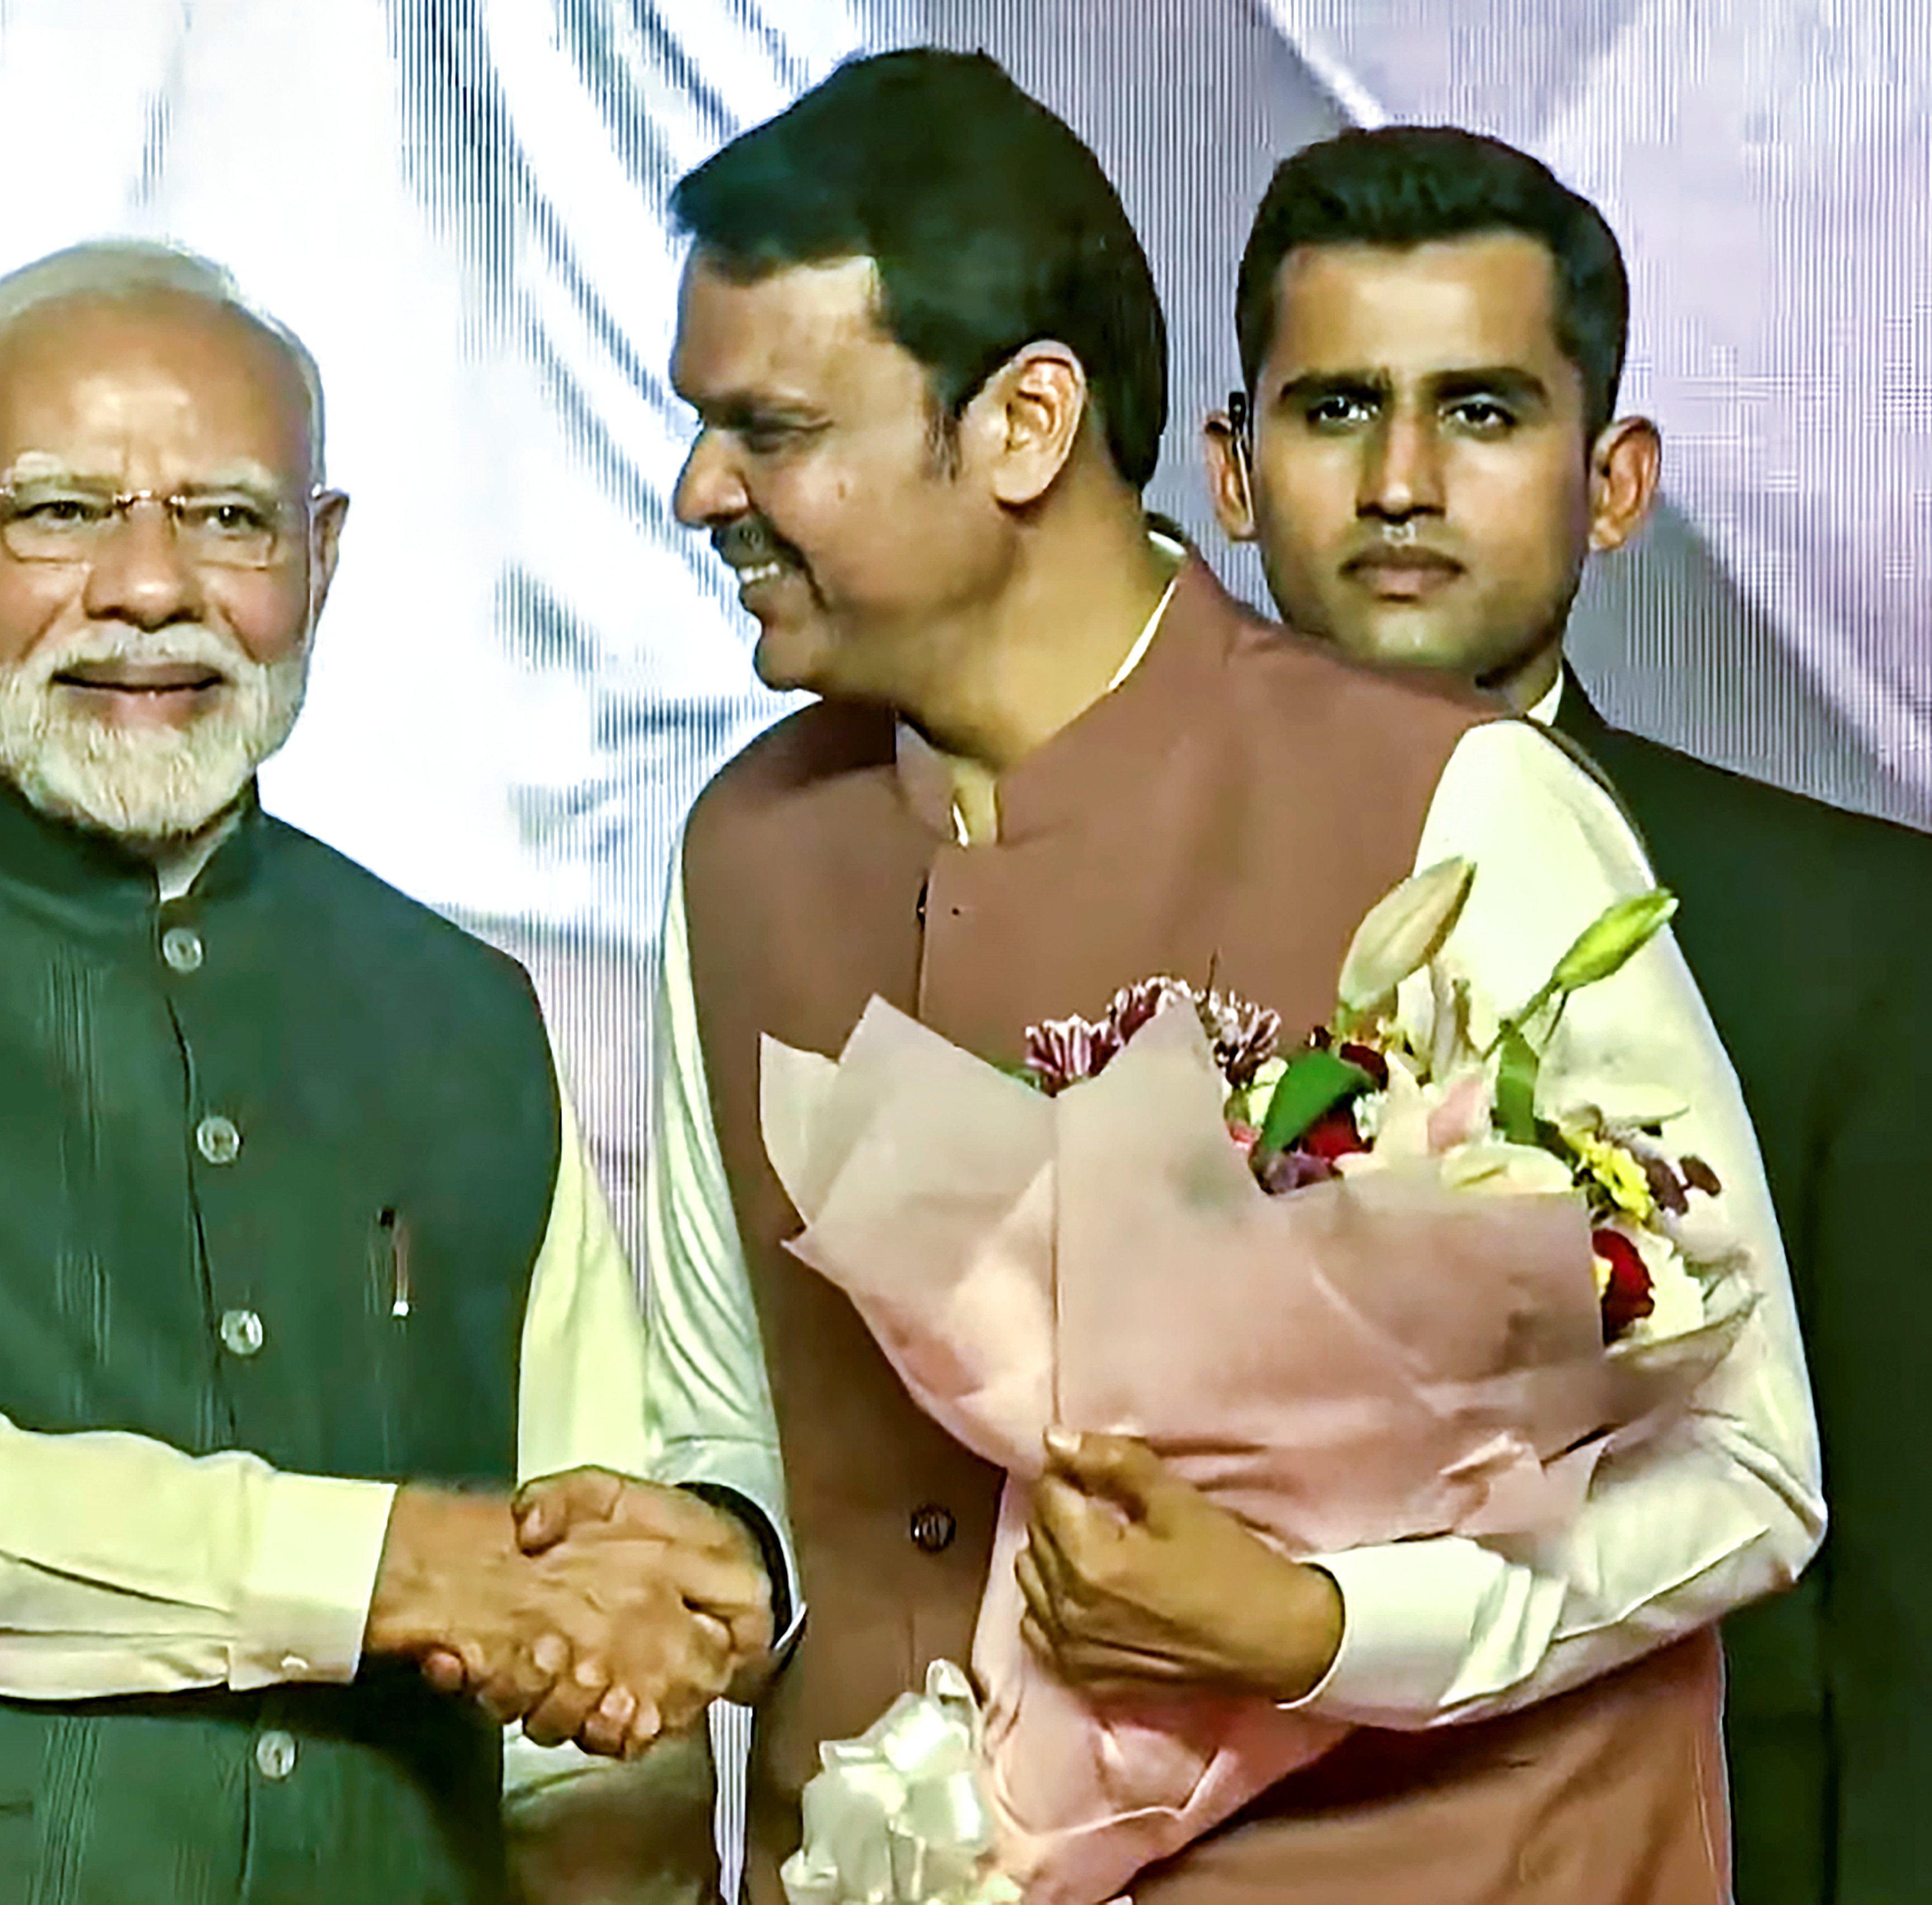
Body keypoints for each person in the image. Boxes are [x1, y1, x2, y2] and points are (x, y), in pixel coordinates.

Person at [619, 48, 1820, 1905]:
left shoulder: (1455, 804)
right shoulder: (737, 852)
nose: (702, 487)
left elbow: (1748, 1469)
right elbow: (736, 1420)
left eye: (769, 429)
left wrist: (1316, 1621)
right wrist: (701, 1549)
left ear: (1021, 426)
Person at [0, 239, 770, 1905]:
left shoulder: (461, 1013)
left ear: (319, 565)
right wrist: (377, 1564)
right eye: (62, 511)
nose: (151, 586)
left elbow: (574, 1665)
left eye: (229, 518)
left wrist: (626, 1733)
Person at [1201, 123, 1932, 1905]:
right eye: (1330, 410)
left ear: (1610, 483)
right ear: (1227, 471)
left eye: (1477, 412)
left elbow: (1906, 1643)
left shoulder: (1850, 934)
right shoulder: (1103, 917)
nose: (1396, 480)